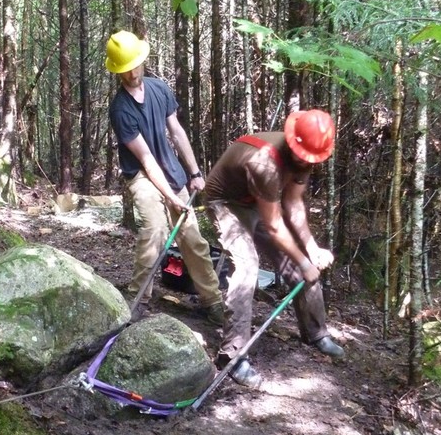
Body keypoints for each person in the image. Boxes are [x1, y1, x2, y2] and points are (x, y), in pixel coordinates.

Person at [203, 108, 344, 389]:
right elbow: (276, 226)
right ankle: (233, 355)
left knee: (300, 261)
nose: (308, 163)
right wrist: (306, 264)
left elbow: (293, 204)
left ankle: (316, 332)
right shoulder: (265, 163)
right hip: (226, 202)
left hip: (256, 200)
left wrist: (311, 250)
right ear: (293, 144)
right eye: (304, 158)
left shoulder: (305, 156)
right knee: (247, 265)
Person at [105, 29, 223, 321]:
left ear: (142, 60)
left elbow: (177, 132)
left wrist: (194, 172)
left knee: (192, 238)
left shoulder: (159, 89)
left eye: (134, 65)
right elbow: (145, 159)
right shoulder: (120, 109)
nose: (132, 73)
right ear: (117, 70)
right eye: (125, 68)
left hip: (171, 171)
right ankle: (137, 298)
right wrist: (171, 198)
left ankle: (213, 301)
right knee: (155, 229)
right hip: (142, 176)